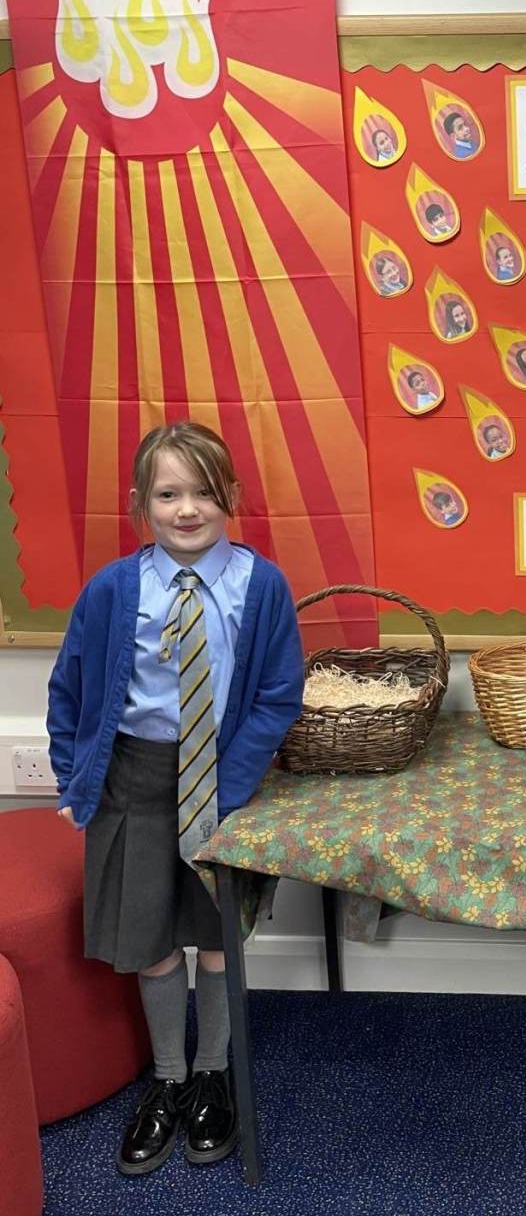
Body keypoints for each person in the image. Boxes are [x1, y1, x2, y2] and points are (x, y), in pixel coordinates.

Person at [46, 423, 303, 1177]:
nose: (187, 509)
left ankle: (213, 1074)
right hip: (133, 782)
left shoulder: (262, 586)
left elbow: (277, 694)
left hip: (221, 778)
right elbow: (70, 687)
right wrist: (71, 776)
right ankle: (167, 1078)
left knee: (216, 934)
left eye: (204, 492)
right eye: (168, 494)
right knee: (150, 939)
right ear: (141, 503)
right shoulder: (112, 590)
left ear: (232, 497)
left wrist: (230, 786)